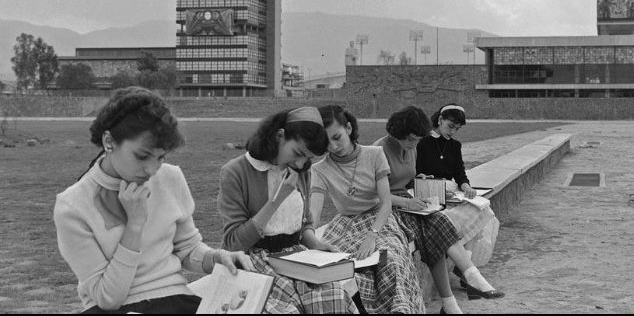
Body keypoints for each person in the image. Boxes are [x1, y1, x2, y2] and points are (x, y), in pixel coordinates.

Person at [54, 86, 254, 314]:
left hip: (174, 300)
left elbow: (187, 249)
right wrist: (135, 225)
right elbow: (107, 298)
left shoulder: (169, 177)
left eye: (160, 157)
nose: (151, 170)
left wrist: (217, 257)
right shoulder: (72, 206)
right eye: (141, 156)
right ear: (109, 141)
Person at [217, 106, 359, 314]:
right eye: (298, 153)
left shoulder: (301, 170)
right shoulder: (235, 171)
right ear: (280, 136)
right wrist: (277, 199)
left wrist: (316, 244)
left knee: (334, 298)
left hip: (297, 258)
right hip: (255, 261)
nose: (301, 163)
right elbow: (232, 243)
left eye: (308, 158)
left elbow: (305, 223)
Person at [374, 106, 503, 310]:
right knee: (434, 231)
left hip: (410, 200)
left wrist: (419, 180)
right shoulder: (378, 151)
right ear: (397, 133)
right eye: (412, 140)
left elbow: (406, 180)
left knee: (439, 223)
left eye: (417, 140)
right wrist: (408, 201)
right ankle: (457, 296)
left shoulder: (412, 146)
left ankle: (469, 278)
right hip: (391, 206)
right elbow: (375, 196)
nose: (415, 144)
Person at [310, 105, 425, 314]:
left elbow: (386, 203)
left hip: (378, 220)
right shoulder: (319, 169)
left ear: (348, 128)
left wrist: (372, 235)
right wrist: (310, 238)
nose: (334, 146)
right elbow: (313, 216)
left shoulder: (375, 154)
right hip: (344, 224)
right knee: (343, 269)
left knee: (392, 260)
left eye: (337, 137)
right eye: (326, 142)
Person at [416, 103, 504, 299]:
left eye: (457, 129)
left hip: (453, 193)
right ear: (440, 120)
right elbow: (416, 173)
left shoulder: (455, 146)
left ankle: (464, 270)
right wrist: (428, 182)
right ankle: (467, 274)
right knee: (455, 219)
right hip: (429, 193)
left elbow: (459, 173)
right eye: (450, 127)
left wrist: (465, 186)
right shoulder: (422, 143)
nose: (453, 132)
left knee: (483, 212)